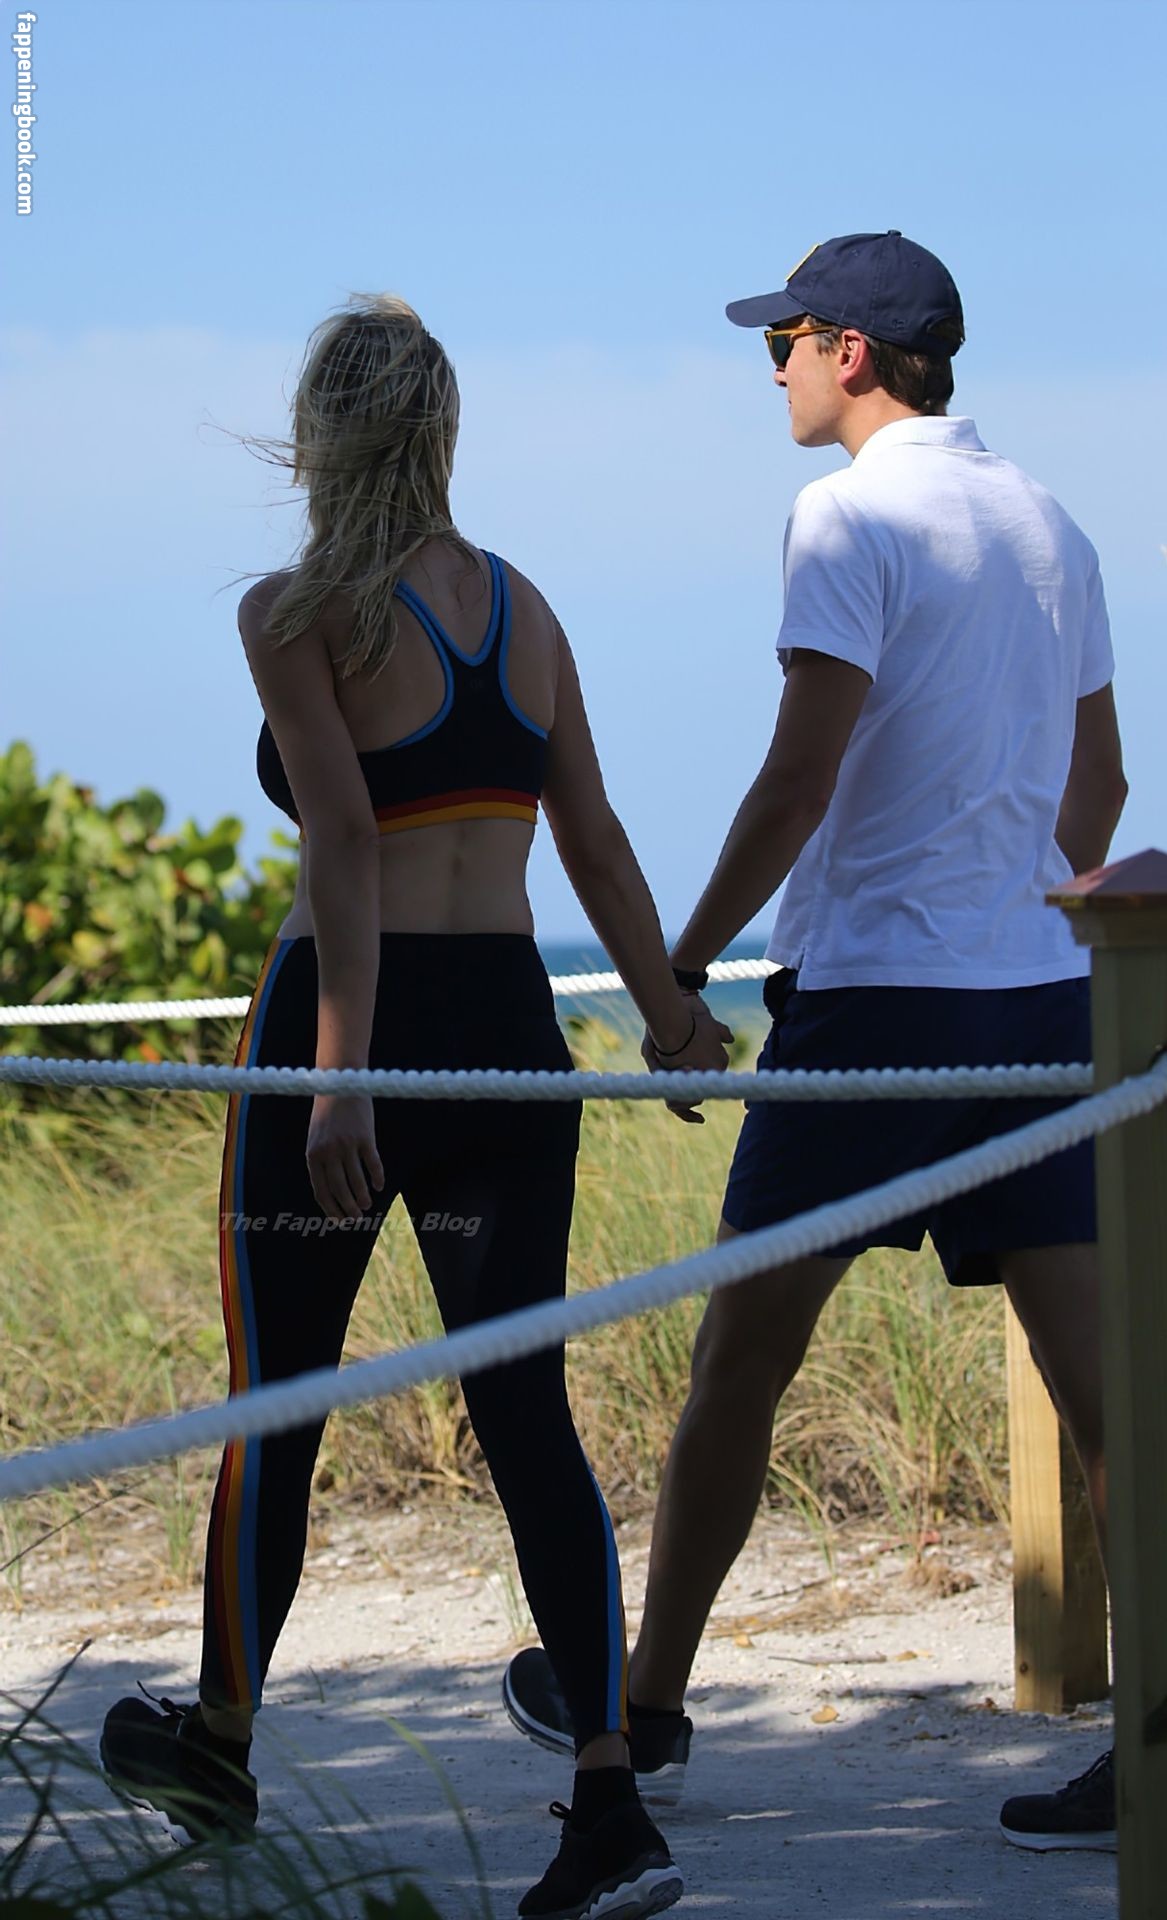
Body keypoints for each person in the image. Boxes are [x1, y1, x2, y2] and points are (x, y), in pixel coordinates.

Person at [98, 292, 728, 1919]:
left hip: (349, 1030)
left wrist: (337, 1076)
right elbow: (592, 836)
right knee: (526, 1413)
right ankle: (608, 1805)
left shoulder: (295, 612)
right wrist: (668, 1021)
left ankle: (222, 1740)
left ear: (324, 436)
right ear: (440, 433)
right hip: (507, 1036)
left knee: (276, 1404)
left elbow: (342, 842)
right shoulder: (524, 609)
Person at [502, 231, 1130, 1853]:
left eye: (779, 339)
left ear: (850, 351)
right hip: (1035, 1009)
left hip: (867, 1017)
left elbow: (798, 778)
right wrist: (1015, 908)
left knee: (739, 1367)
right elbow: (1102, 792)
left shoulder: (846, 517)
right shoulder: (1049, 524)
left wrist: (677, 967)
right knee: (1105, 1399)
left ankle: (649, 1706)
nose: (767, 368)